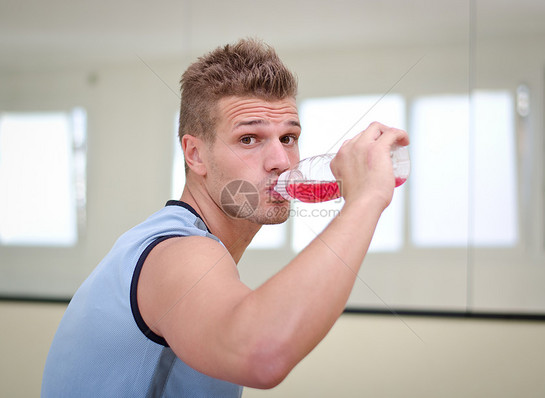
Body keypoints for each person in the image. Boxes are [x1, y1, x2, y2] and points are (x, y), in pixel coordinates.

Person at [41, 38, 409, 397]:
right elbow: (262, 354)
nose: (281, 161)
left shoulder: (179, 244)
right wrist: (367, 198)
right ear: (195, 155)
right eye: (249, 138)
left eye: (289, 137)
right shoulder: (177, 252)